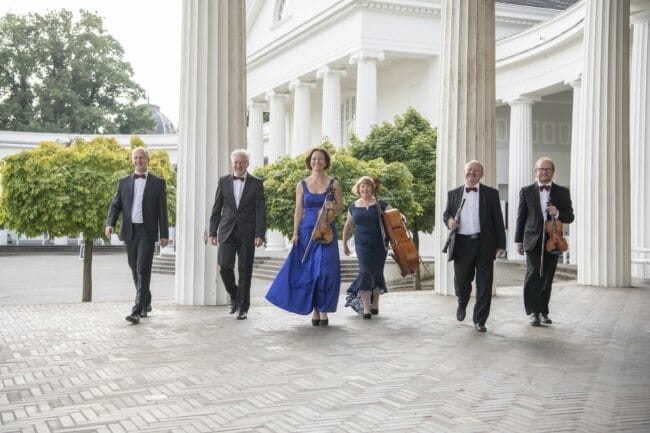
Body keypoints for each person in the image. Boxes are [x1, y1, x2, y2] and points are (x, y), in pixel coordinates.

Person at [265, 148, 344, 326]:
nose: (317, 162)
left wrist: (333, 206)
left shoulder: (334, 184)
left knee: (325, 271)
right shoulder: (301, 184)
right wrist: (294, 233)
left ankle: (323, 309)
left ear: (326, 162)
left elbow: (341, 206)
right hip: (306, 231)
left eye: (321, 159)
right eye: (314, 159)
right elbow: (298, 209)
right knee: (309, 272)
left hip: (326, 232)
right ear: (310, 161)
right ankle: (315, 310)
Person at [106, 147, 169, 325]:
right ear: (132, 160)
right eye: (135, 158)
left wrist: (163, 234)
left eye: (142, 157)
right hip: (129, 231)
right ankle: (146, 301)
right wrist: (110, 223)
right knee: (134, 269)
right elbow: (115, 205)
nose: (138, 160)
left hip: (147, 232)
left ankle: (137, 311)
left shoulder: (158, 183)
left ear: (147, 159)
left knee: (143, 270)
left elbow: (162, 211)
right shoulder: (123, 182)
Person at [443, 160, 506, 333]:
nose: (472, 173)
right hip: (462, 244)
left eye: (476, 171)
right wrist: (449, 222)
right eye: (469, 170)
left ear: (481, 174)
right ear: (464, 172)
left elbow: (498, 220)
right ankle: (462, 302)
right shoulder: (454, 193)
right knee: (462, 281)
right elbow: (446, 214)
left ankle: (480, 320)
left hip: (484, 243)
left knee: (485, 283)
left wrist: (501, 244)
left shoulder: (491, 194)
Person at [514, 157, 574, 326]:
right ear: (535, 172)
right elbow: (521, 217)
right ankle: (532, 311)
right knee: (533, 273)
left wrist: (557, 212)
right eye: (540, 169)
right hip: (532, 239)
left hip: (554, 240)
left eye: (547, 169)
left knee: (547, 276)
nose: (544, 172)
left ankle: (543, 311)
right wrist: (518, 241)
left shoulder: (562, 192)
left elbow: (570, 216)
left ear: (553, 172)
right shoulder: (526, 191)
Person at [209, 149, 267, 321]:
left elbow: (260, 210)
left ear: (247, 164)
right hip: (227, 231)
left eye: (242, 162)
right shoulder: (223, 181)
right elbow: (217, 207)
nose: (239, 165)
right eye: (236, 162)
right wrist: (213, 231)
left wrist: (260, 234)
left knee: (245, 271)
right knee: (224, 267)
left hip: (248, 233)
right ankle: (235, 295)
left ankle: (243, 307)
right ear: (232, 163)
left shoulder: (256, 183)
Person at [342, 176, 390, 319]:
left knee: (377, 272)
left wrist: (402, 217)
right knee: (365, 271)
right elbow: (348, 225)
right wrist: (344, 243)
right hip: (362, 244)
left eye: (368, 186)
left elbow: (394, 215)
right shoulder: (353, 206)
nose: (365, 188)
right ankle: (366, 308)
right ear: (358, 189)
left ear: (372, 188)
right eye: (362, 186)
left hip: (380, 244)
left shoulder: (380, 204)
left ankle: (375, 303)